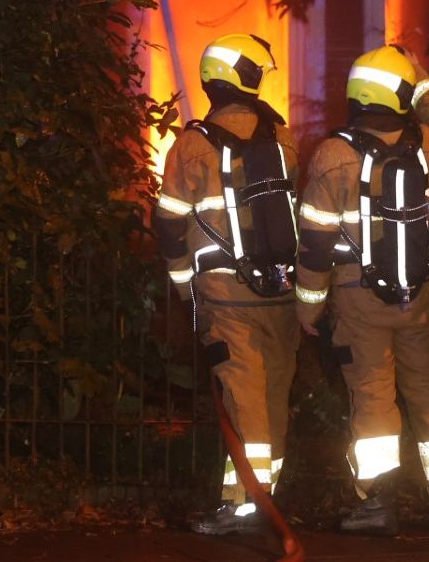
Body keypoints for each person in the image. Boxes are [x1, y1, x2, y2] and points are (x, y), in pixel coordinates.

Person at [294, 43, 429, 535]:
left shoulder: (333, 155)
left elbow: (314, 246)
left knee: (372, 398)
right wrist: (419, 71)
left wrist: (308, 307)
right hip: (421, 292)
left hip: (358, 297)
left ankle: (378, 504)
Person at [152, 33, 300, 535]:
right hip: (280, 292)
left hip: (224, 296)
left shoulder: (191, 146)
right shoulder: (284, 141)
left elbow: (169, 225)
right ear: (249, 78)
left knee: (243, 399)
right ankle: (264, 497)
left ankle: (246, 506)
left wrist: (185, 289)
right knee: (273, 395)